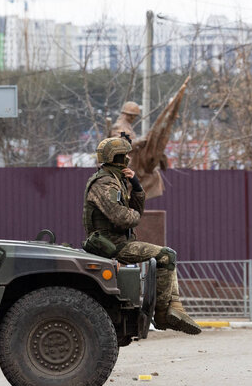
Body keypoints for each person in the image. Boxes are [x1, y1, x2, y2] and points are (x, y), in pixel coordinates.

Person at [82, 136, 201, 335]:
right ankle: (163, 315)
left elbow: (134, 210)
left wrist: (136, 185)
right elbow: (122, 217)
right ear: (116, 157)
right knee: (165, 256)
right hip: (110, 243)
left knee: (167, 255)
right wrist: (135, 216)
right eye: (125, 155)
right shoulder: (103, 183)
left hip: (119, 241)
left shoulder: (115, 179)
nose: (128, 158)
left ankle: (174, 309)